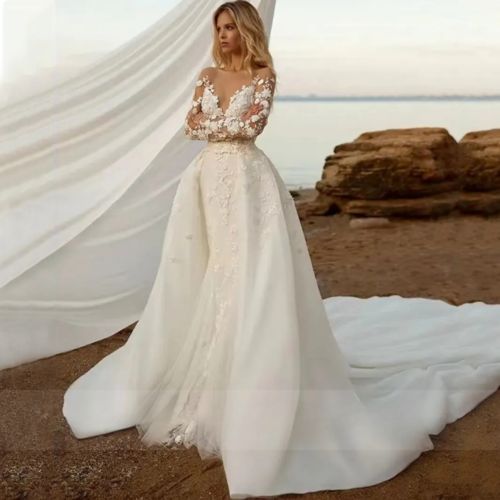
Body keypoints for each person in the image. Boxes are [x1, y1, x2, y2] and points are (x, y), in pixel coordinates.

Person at [63, 2, 500, 499]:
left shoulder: (264, 75)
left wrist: (214, 126)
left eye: (231, 27)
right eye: (219, 27)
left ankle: (248, 375)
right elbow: (192, 126)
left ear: (246, 29)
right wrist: (217, 126)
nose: (224, 34)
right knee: (211, 269)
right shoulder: (207, 76)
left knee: (251, 273)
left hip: (249, 182)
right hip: (207, 181)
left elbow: (249, 128)